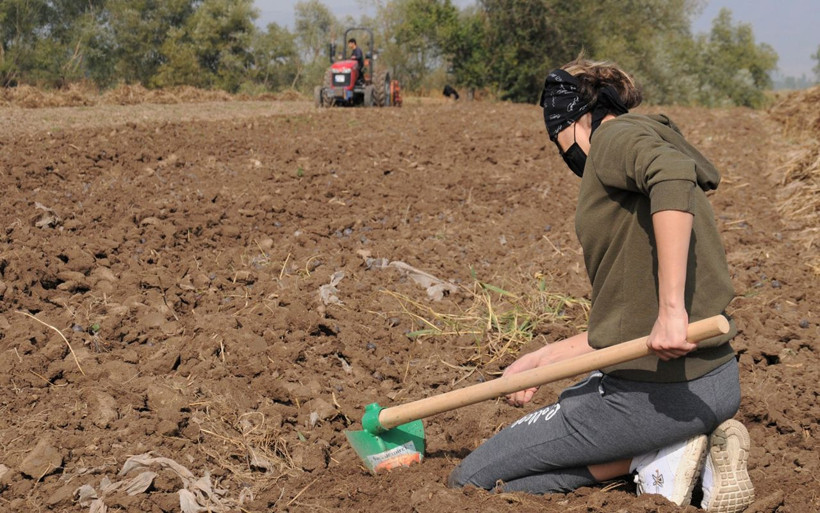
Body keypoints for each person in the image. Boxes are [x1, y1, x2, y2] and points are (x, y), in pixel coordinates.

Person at [447, 57, 755, 512]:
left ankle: (657, 453)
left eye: (557, 136)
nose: (560, 148)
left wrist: (672, 311)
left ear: (573, 119)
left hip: (654, 396)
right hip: (713, 382)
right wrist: (541, 358)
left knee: (469, 479)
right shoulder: (636, 150)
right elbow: (628, 320)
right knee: (563, 420)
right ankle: (664, 450)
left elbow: (671, 172)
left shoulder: (615, 138)